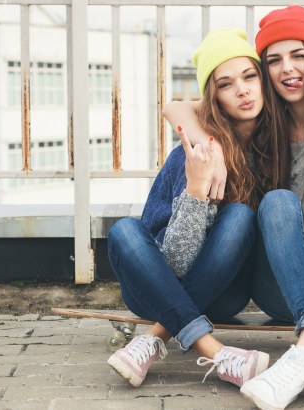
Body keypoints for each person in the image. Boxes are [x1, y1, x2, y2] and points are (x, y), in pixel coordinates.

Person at [163, 5, 304, 410]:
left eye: (298, 55)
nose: (288, 69)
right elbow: (178, 107)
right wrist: (207, 148)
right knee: (278, 202)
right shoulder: (264, 125)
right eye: (274, 60)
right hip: (282, 284)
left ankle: (302, 356)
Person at [107, 27, 277, 389]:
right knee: (124, 230)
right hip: (151, 288)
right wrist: (197, 191)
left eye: (250, 77)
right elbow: (174, 265)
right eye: (226, 84)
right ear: (214, 98)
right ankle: (216, 352)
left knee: (241, 216)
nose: (243, 90)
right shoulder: (188, 157)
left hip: (224, 293)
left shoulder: (277, 153)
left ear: (263, 82)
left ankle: (154, 339)